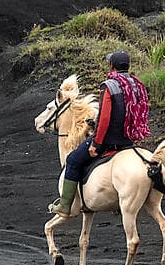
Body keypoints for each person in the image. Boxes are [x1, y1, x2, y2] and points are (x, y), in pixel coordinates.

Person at [51, 49, 151, 215]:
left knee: (73, 160)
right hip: (128, 140)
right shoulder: (137, 85)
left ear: (112, 66)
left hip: (109, 140)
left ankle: (65, 205)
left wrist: (96, 143)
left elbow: (105, 118)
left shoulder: (109, 86)